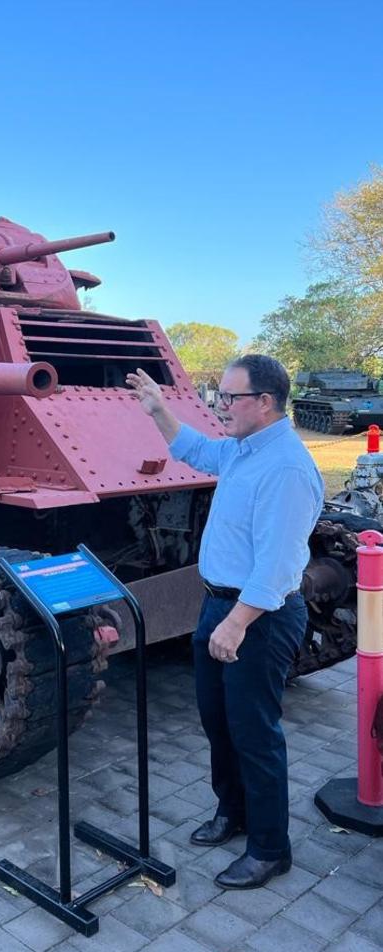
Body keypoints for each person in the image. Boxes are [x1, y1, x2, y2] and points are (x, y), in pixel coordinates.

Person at [126, 355, 323, 890]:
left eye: (229, 398)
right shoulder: (243, 450)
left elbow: (278, 567)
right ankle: (231, 811)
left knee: (255, 732)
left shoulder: (284, 467)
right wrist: (158, 410)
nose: (220, 407)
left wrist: (236, 624)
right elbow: (196, 448)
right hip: (220, 605)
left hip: (257, 616)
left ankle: (269, 848)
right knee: (218, 720)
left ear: (264, 402)